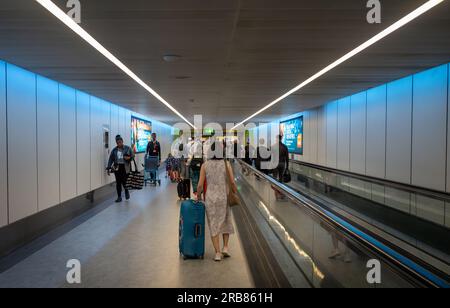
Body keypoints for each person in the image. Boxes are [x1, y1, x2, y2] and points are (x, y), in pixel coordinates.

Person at [197, 142, 237, 262]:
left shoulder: (205, 165)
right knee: (225, 221)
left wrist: (198, 196)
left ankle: (218, 253)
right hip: (224, 197)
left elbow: (199, 185)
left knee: (213, 224)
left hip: (210, 198)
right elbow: (233, 182)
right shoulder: (226, 164)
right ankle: (225, 247)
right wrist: (234, 191)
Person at [107, 135, 135, 203]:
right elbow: (111, 159)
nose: (119, 144)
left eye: (120, 142)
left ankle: (126, 190)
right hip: (117, 168)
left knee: (125, 181)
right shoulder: (114, 150)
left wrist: (129, 158)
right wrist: (108, 167)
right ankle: (119, 197)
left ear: (122, 141)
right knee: (118, 183)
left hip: (125, 168)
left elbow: (133, 155)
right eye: (117, 142)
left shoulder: (127, 148)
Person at [272, 134, 290, 201]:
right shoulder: (285, 147)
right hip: (282, 164)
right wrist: (287, 167)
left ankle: (276, 196)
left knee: (274, 179)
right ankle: (281, 193)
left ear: (276, 139)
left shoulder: (273, 146)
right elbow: (287, 158)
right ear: (281, 138)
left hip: (275, 164)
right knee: (281, 179)